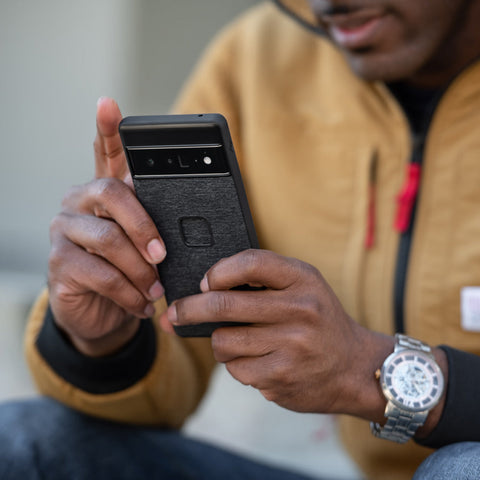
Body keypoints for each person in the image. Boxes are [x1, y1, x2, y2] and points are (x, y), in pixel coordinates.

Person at [2, 0, 480, 479]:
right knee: (24, 441)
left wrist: (370, 371)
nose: (326, 6)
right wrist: (105, 339)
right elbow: (183, 348)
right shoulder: (257, 56)